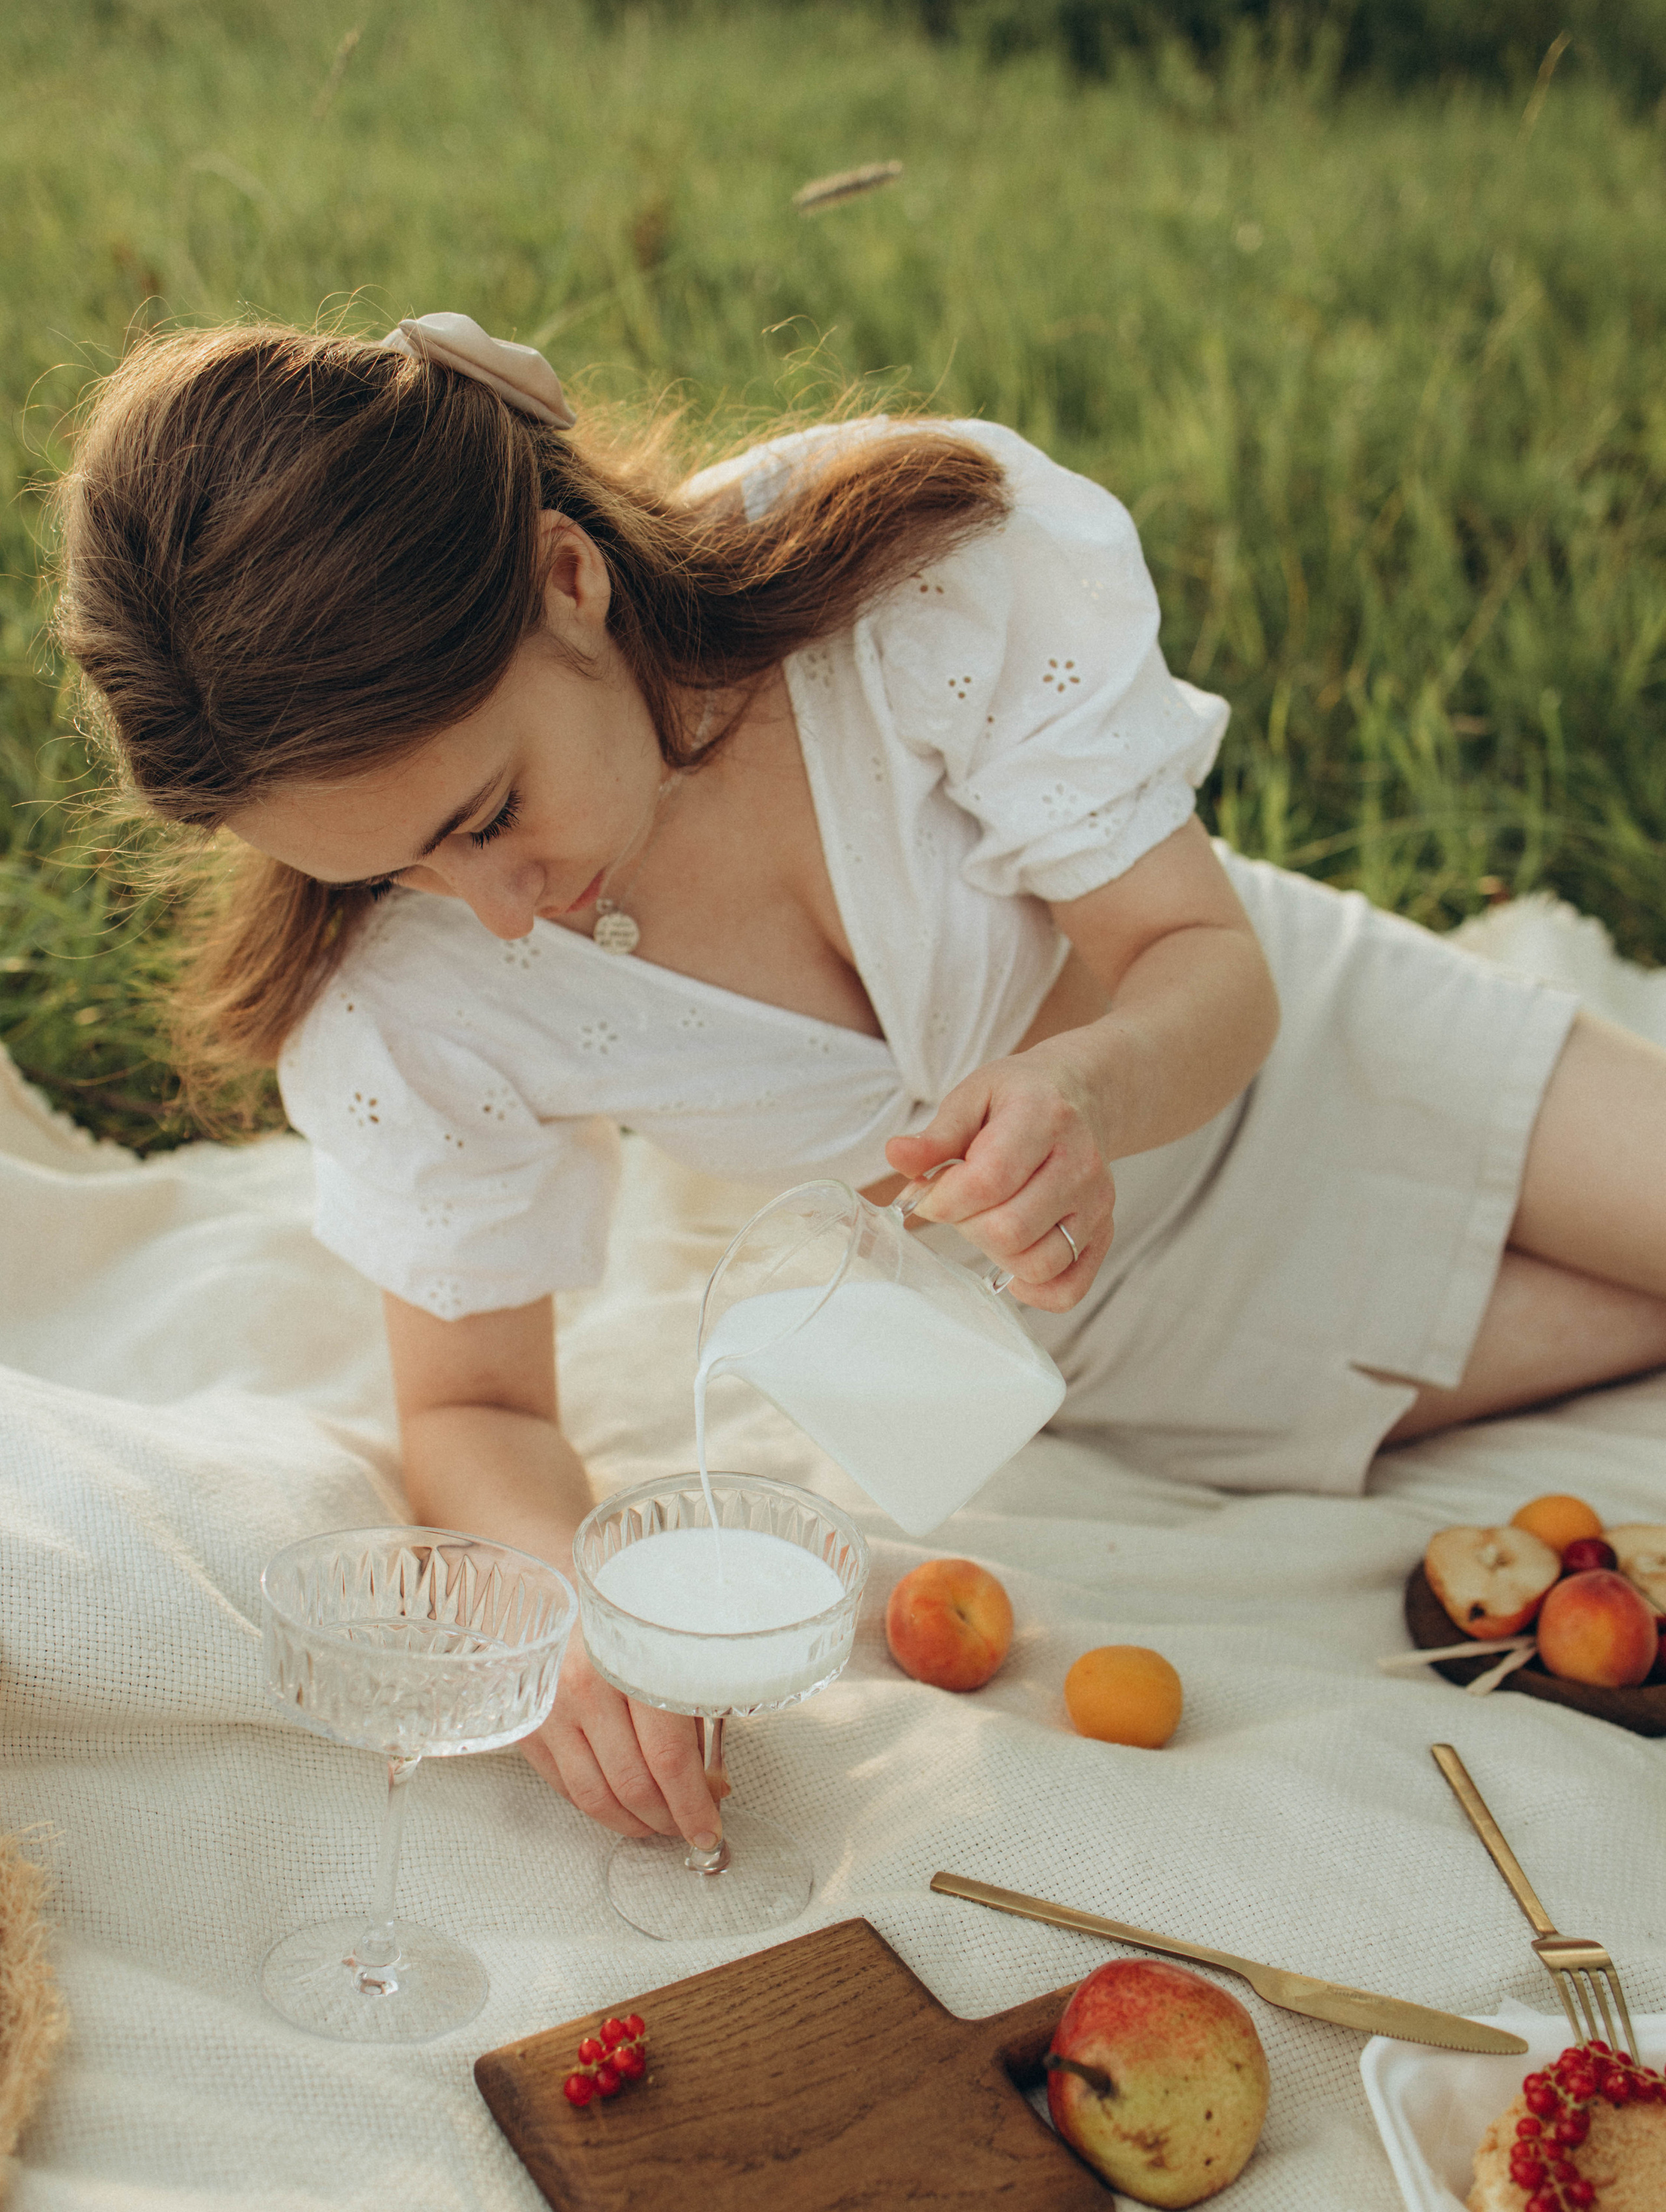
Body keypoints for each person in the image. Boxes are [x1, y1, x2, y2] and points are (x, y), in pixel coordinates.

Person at [55, 313, 1666, 1856]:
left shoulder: (908, 579)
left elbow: (1205, 964)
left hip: (1313, 1047)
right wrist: (570, 1617)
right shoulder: (401, 998)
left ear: (566, 582)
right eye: (396, 868)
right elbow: (473, 1405)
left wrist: (1085, 1095)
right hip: (1100, 1323)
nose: (492, 910)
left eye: (484, 813)